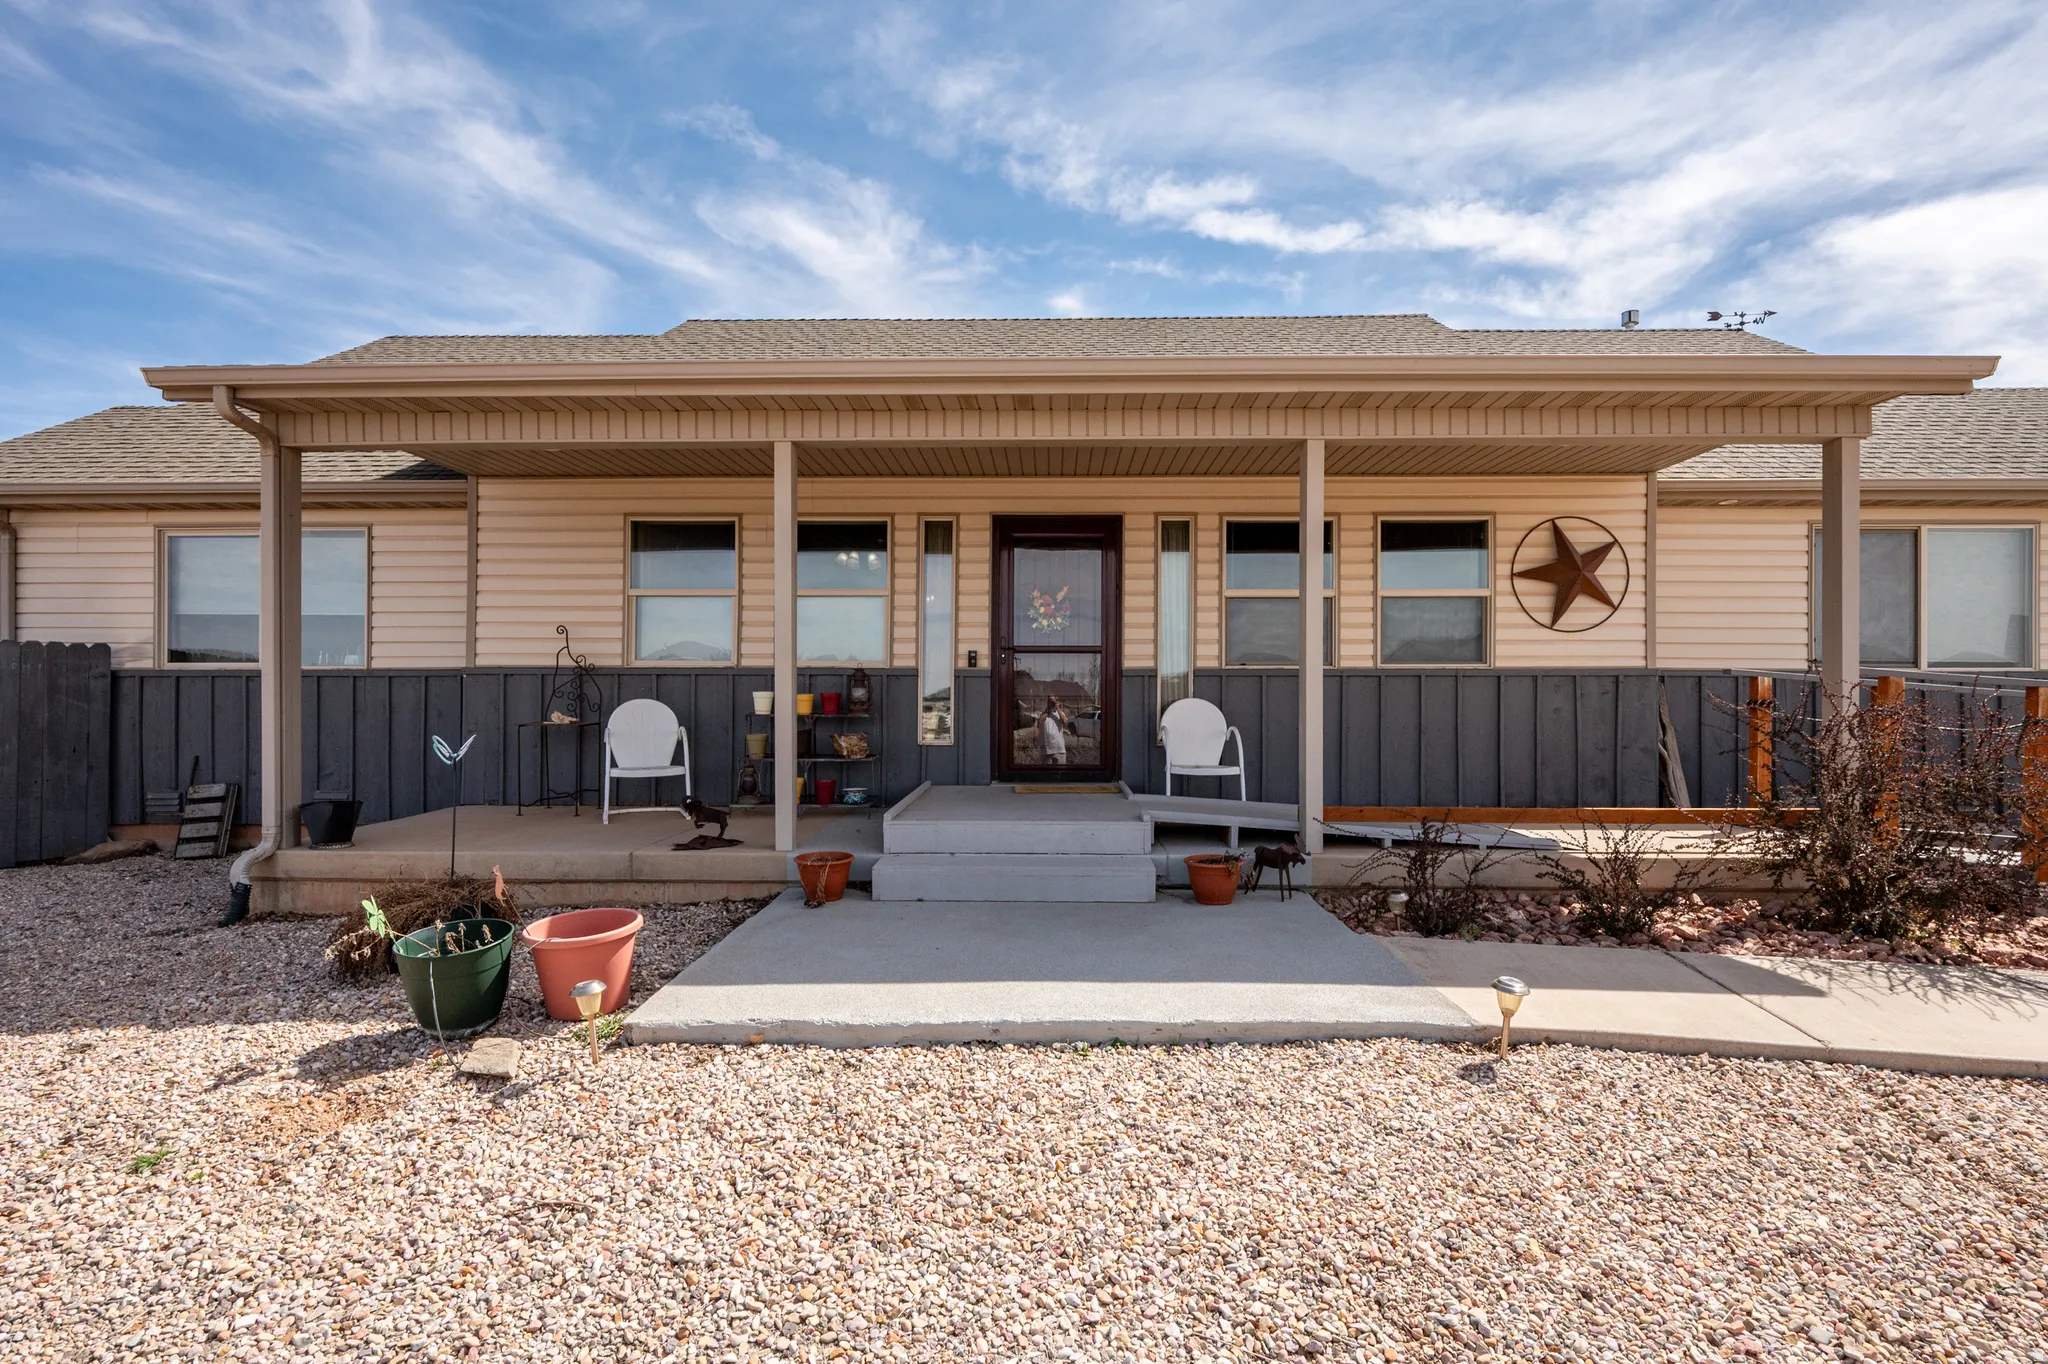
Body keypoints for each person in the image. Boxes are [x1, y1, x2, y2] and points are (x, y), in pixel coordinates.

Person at [1039, 696, 1069, 765]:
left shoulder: (1061, 713)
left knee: (1060, 773)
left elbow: (1065, 722)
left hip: (1059, 749)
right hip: (1046, 750)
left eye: (1053, 701)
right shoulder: (1043, 714)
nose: (1052, 703)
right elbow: (1039, 723)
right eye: (1050, 701)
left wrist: (1058, 709)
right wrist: (1048, 711)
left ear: (1057, 702)